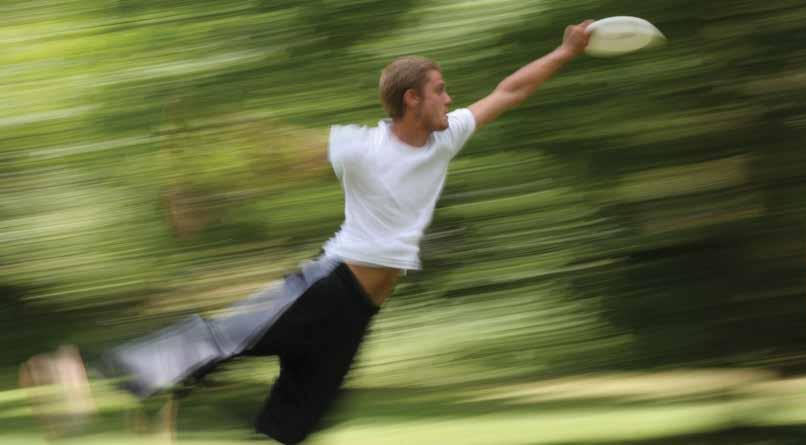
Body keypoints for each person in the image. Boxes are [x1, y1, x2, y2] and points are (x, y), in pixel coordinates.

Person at [20, 20, 594, 444]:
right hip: (326, 284)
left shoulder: (446, 137)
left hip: (357, 313)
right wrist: (211, 176)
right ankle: (78, 369)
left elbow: (510, 90)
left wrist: (566, 51)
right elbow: (282, 152)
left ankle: (163, 407)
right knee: (219, 340)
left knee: (293, 425)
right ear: (412, 99)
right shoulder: (362, 147)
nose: (450, 98)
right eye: (440, 89)